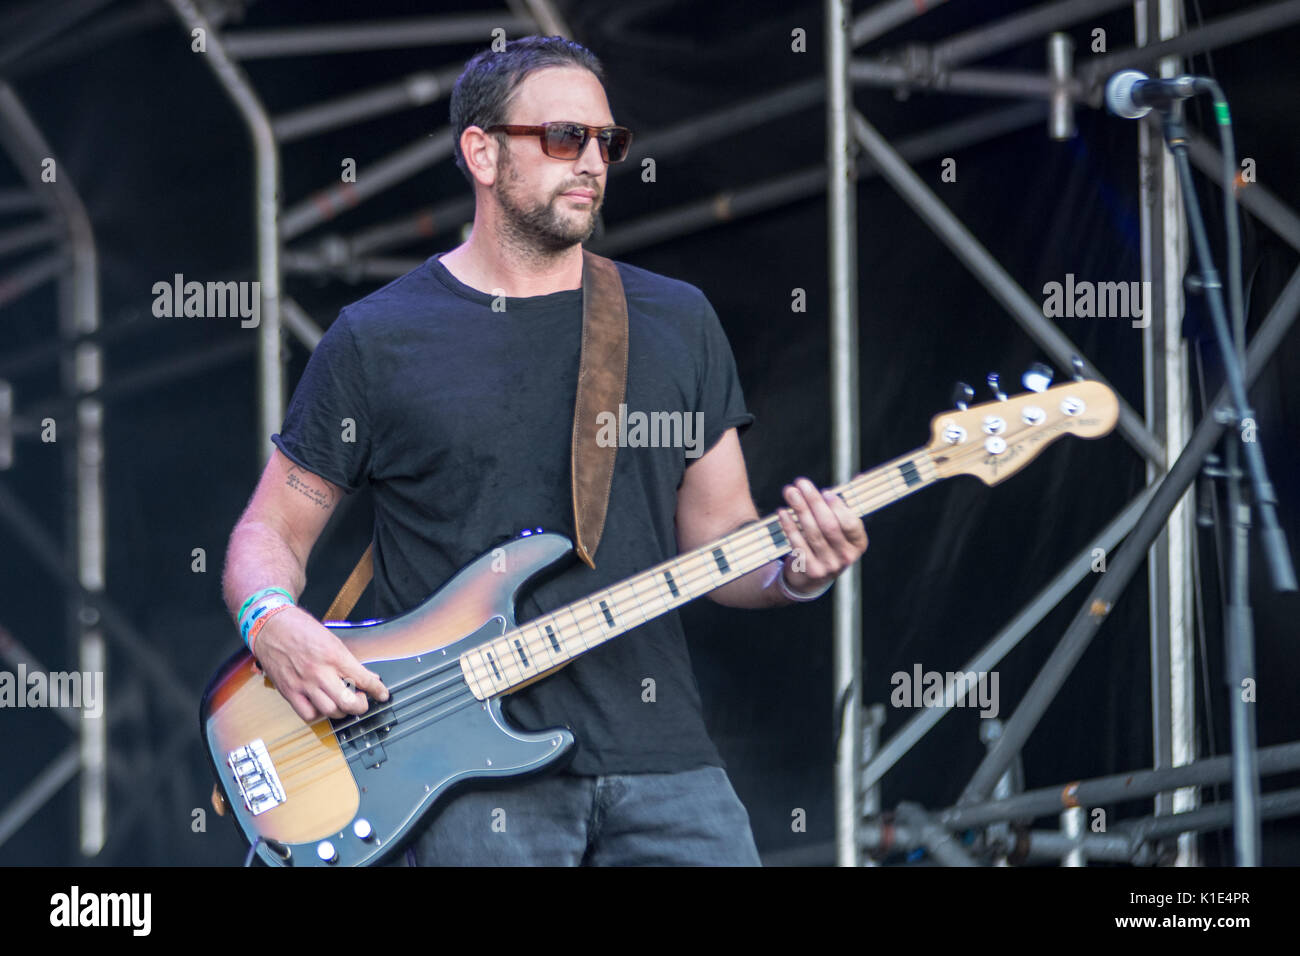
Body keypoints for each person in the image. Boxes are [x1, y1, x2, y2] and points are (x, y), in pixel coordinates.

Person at [221, 35, 868, 866]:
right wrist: (270, 620)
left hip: (664, 764)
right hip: (464, 782)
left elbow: (721, 537)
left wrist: (794, 572)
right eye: (565, 138)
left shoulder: (675, 321)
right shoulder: (378, 338)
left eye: (609, 142)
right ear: (481, 154)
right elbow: (270, 531)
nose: (594, 161)